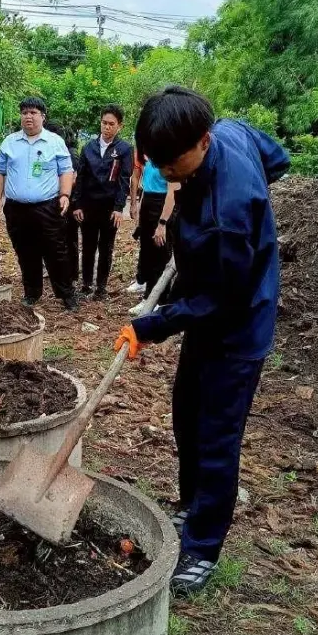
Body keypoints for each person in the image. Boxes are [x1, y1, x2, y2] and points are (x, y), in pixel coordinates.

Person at [115, 86, 290, 598]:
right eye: (157, 162)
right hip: (207, 304)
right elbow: (277, 159)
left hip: (236, 324)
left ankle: (202, 547)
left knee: (216, 436)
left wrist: (150, 326)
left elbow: (219, 300)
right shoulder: (232, 131)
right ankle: (193, 505)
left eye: (175, 164)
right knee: (187, 413)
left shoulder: (227, 217)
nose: (166, 172)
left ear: (204, 141)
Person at [0, 97, 79, 311]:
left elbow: (66, 170)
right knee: (25, 252)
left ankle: (66, 295)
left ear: (42, 117)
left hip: (47, 208)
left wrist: (65, 194)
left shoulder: (54, 142)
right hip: (17, 209)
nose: (28, 117)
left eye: (33, 113)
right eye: (24, 113)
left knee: (56, 251)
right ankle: (32, 293)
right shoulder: (10, 142)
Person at [73, 105, 133, 299]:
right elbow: (80, 177)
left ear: (119, 126)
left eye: (111, 124)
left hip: (109, 207)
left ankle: (101, 287)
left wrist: (119, 208)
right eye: (104, 123)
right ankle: (86, 285)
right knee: (88, 246)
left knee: (106, 247)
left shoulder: (124, 149)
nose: (107, 127)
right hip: (89, 205)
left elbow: (124, 180)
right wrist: (77, 204)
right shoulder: (88, 148)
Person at [129, 159, 180, 315]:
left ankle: (158, 300)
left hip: (162, 207)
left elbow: (172, 193)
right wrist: (140, 210)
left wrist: (162, 223)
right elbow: (146, 188)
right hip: (148, 205)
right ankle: (148, 294)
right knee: (148, 253)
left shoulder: (171, 159)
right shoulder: (151, 159)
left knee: (160, 256)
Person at [44, 120, 80, 286]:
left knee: (69, 239)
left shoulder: (70, 154)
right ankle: (57, 271)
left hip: (68, 202)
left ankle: (71, 274)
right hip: (53, 201)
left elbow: (73, 179)